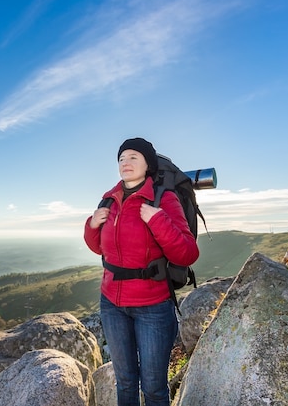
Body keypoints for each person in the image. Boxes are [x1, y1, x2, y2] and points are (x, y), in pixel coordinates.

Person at [84, 137, 199, 406]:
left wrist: (158, 220)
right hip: (112, 303)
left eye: (133, 157)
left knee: (154, 387)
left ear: (148, 164)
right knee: (124, 381)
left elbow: (187, 252)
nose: (126, 162)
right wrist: (91, 225)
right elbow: (99, 249)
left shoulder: (164, 199)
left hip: (152, 307)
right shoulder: (109, 200)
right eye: (122, 159)